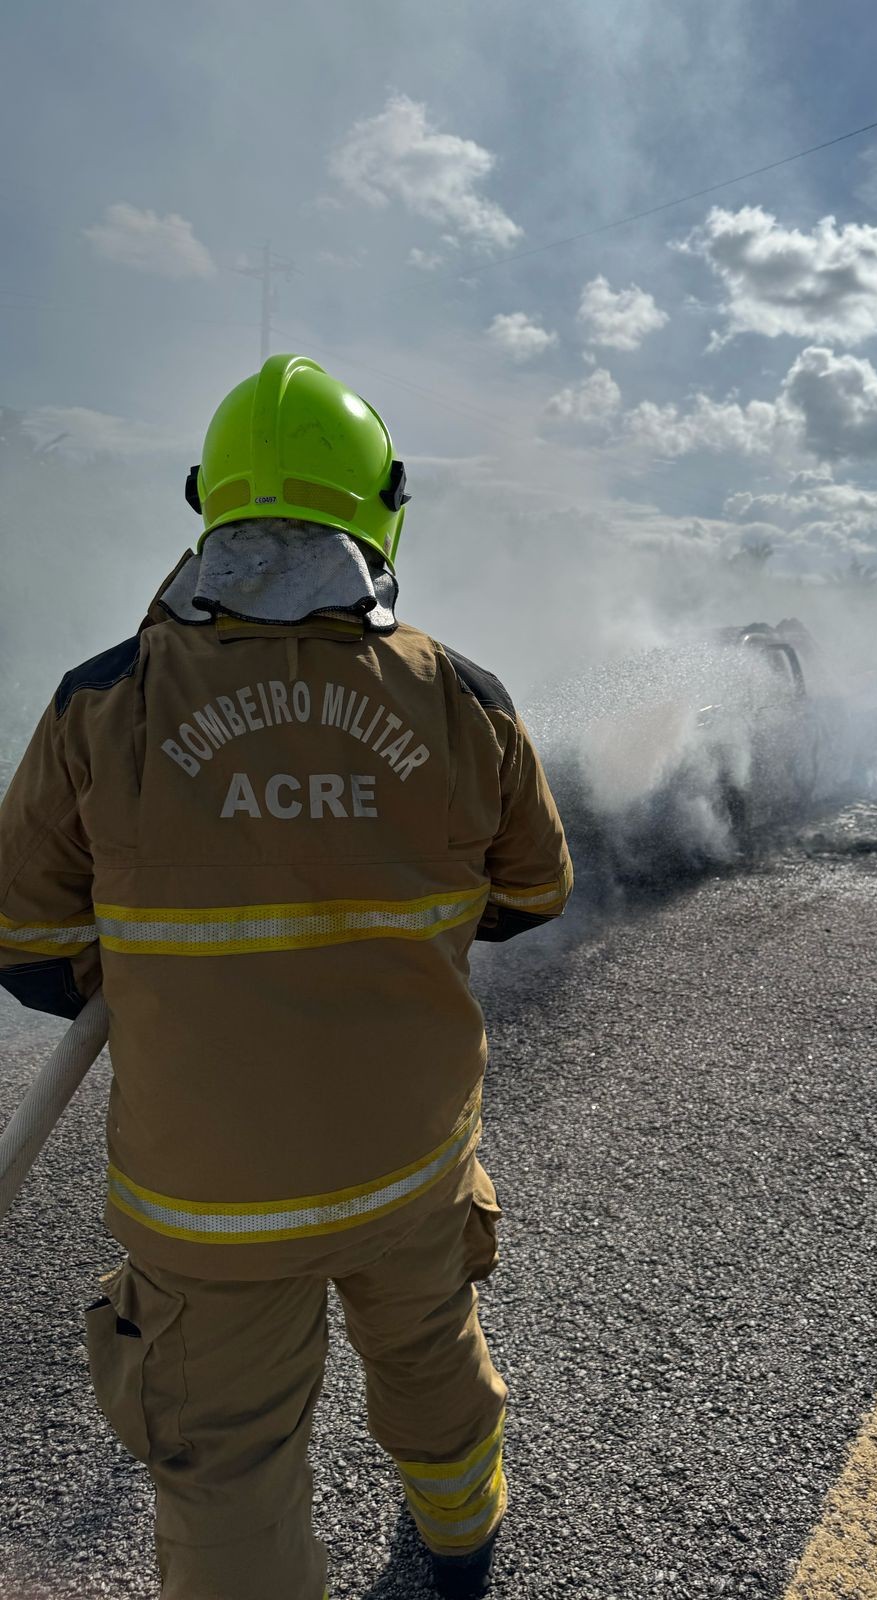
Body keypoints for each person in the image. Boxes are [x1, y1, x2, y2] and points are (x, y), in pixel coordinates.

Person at [0, 354, 572, 1600]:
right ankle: (462, 1550)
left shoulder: (105, 705)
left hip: (210, 1207)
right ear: (383, 506)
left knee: (227, 1472)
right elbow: (532, 898)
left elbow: (27, 949)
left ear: (209, 503)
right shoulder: (463, 699)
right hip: (412, 1168)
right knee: (430, 1361)